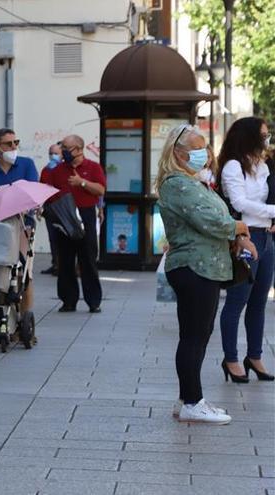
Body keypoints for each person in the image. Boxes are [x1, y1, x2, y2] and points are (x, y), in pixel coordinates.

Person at [156, 123, 256, 424]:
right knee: (194, 337)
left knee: (196, 335)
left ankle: (189, 398)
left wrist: (234, 231)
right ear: (178, 152)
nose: (205, 153)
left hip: (204, 266)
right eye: (197, 148)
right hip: (194, 267)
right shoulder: (177, 183)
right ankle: (192, 401)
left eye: (205, 146)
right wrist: (238, 227)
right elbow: (212, 220)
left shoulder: (191, 181)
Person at [217, 117, 275, 383]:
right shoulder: (233, 166)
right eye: (263, 135)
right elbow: (239, 201)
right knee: (237, 301)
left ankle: (255, 356)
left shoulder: (261, 165)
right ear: (250, 136)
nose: (267, 139)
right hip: (244, 237)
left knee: (259, 302)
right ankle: (230, 359)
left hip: (266, 238)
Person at [0, 128, 39, 312]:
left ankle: (25, 319)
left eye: (16, 143)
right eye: (8, 144)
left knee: (24, 272)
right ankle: (4, 312)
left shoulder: (26, 165)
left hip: (22, 225)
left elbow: (31, 195)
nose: (14, 147)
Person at [48, 135, 106, 313]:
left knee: (88, 260)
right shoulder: (57, 170)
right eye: (62, 146)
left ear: (79, 149)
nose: (63, 151)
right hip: (65, 217)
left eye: (67, 147)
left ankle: (93, 301)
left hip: (86, 215)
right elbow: (49, 192)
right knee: (65, 261)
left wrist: (81, 182)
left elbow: (100, 190)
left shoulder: (93, 167)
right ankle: (68, 300)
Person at [39, 143, 62, 275]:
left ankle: (63, 265)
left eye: (56, 153)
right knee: (52, 237)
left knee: (62, 238)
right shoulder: (46, 170)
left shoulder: (65, 169)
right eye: (51, 153)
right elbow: (42, 188)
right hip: (49, 207)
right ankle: (55, 264)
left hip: (62, 207)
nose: (53, 156)